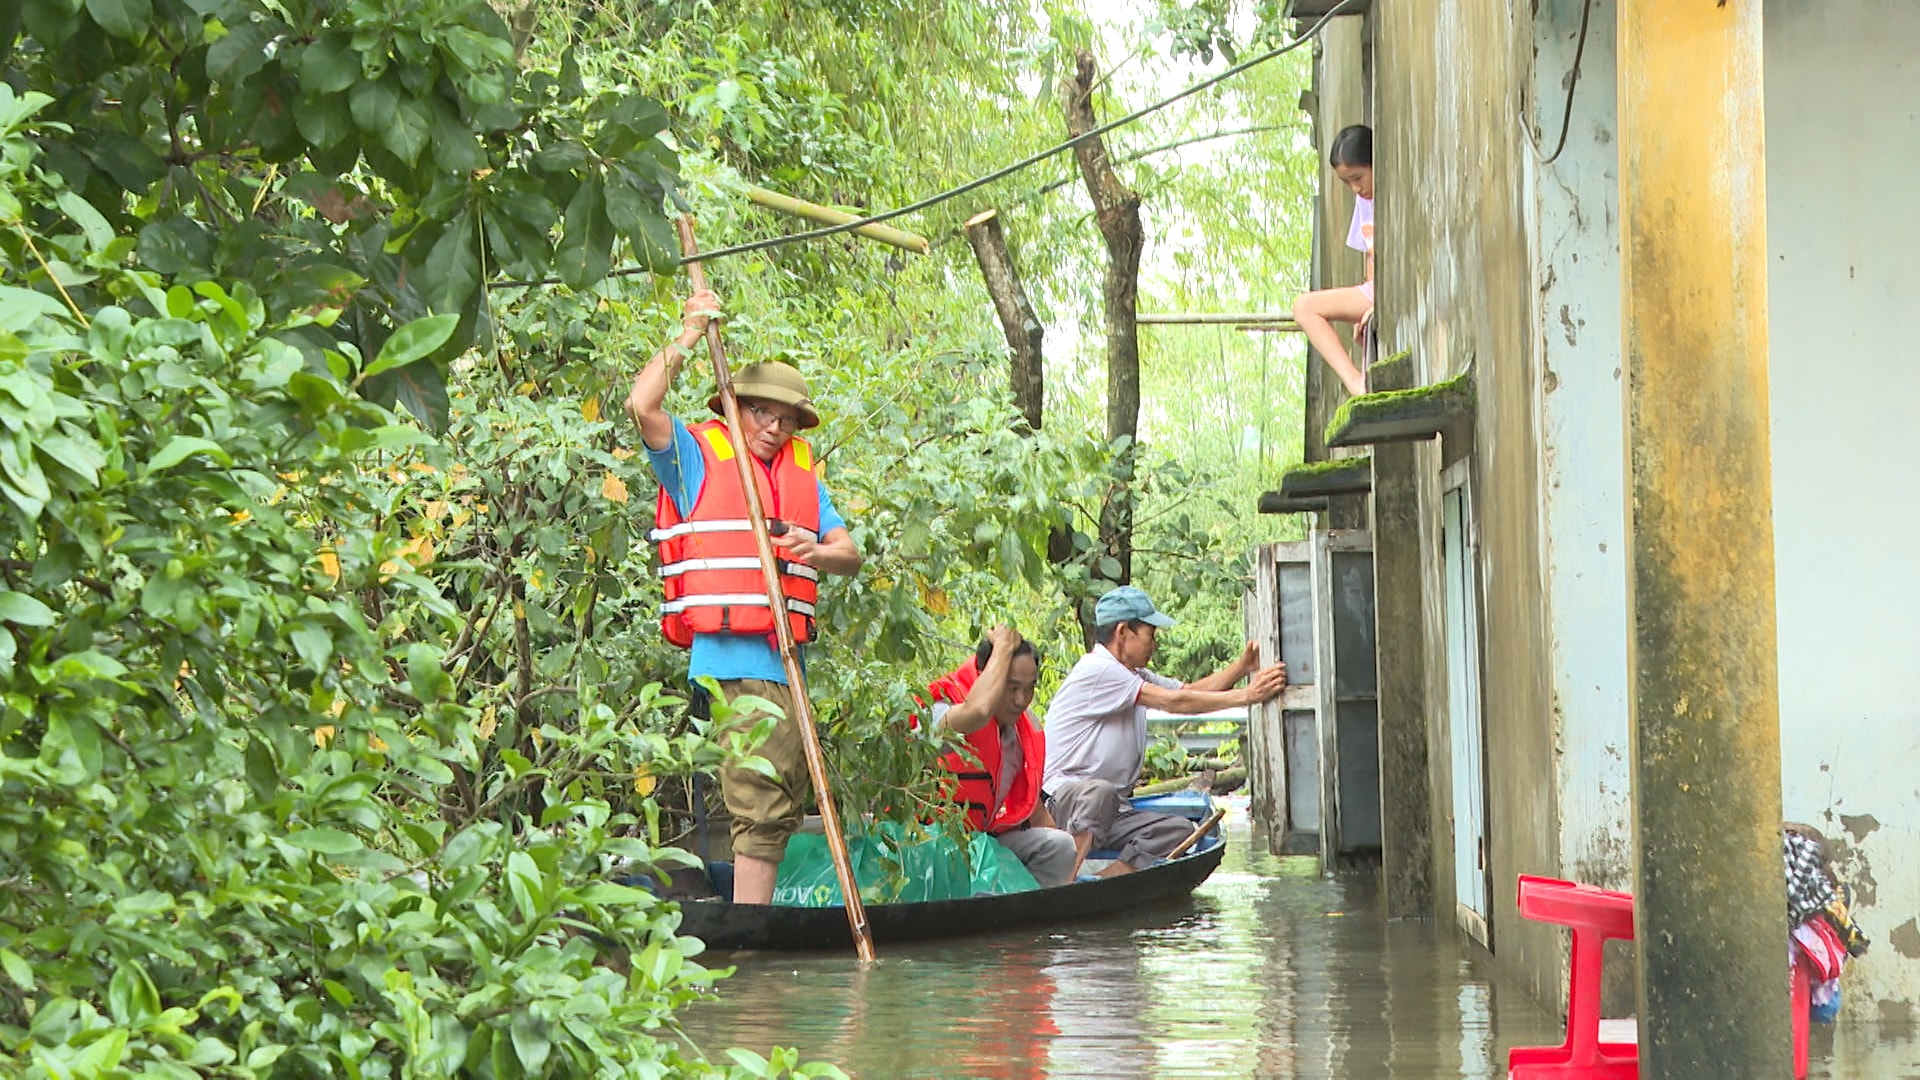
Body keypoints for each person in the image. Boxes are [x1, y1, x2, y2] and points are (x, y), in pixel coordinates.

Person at [627, 288, 863, 904]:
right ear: (735, 407)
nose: (775, 428)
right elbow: (641, 403)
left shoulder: (800, 475)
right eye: (762, 413)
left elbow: (850, 554)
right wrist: (688, 331)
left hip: (786, 661)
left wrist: (813, 549)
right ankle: (752, 940)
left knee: (783, 804)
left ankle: (755, 923)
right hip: (735, 661)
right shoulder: (697, 458)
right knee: (761, 803)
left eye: (786, 419)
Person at [1042, 586, 1288, 878]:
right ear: (1123, 632)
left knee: (1179, 830)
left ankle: (1102, 882)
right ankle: (1065, 883)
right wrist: (1247, 696)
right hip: (1069, 805)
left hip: (1112, 811)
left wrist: (1241, 667)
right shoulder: (1098, 669)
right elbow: (1174, 702)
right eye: (1151, 634)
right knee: (1101, 793)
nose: (1155, 644)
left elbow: (1187, 691)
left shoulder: (1132, 674)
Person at [924, 626, 1077, 888]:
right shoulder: (940, 710)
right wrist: (1003, 648)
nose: (1021, 700)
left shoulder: (1019, 733)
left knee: (1060, 846)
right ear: (986, 678)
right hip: (926, 848)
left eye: (1029, 689)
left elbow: (1037, 813)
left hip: (980, 846)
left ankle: (1031, 919)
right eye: (1011, 687)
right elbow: (978, 710)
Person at [1292, 123, 1375, 397]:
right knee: (1304, 307)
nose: (1355, 188)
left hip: (1386, 292)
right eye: (1347, 182)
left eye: (1358, 177)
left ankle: (1356, 382)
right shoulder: (1363, 202)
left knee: (1305, 306)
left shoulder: (1389, 196)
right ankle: (1355, 380)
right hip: (1373, 291)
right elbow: (1370, 256)